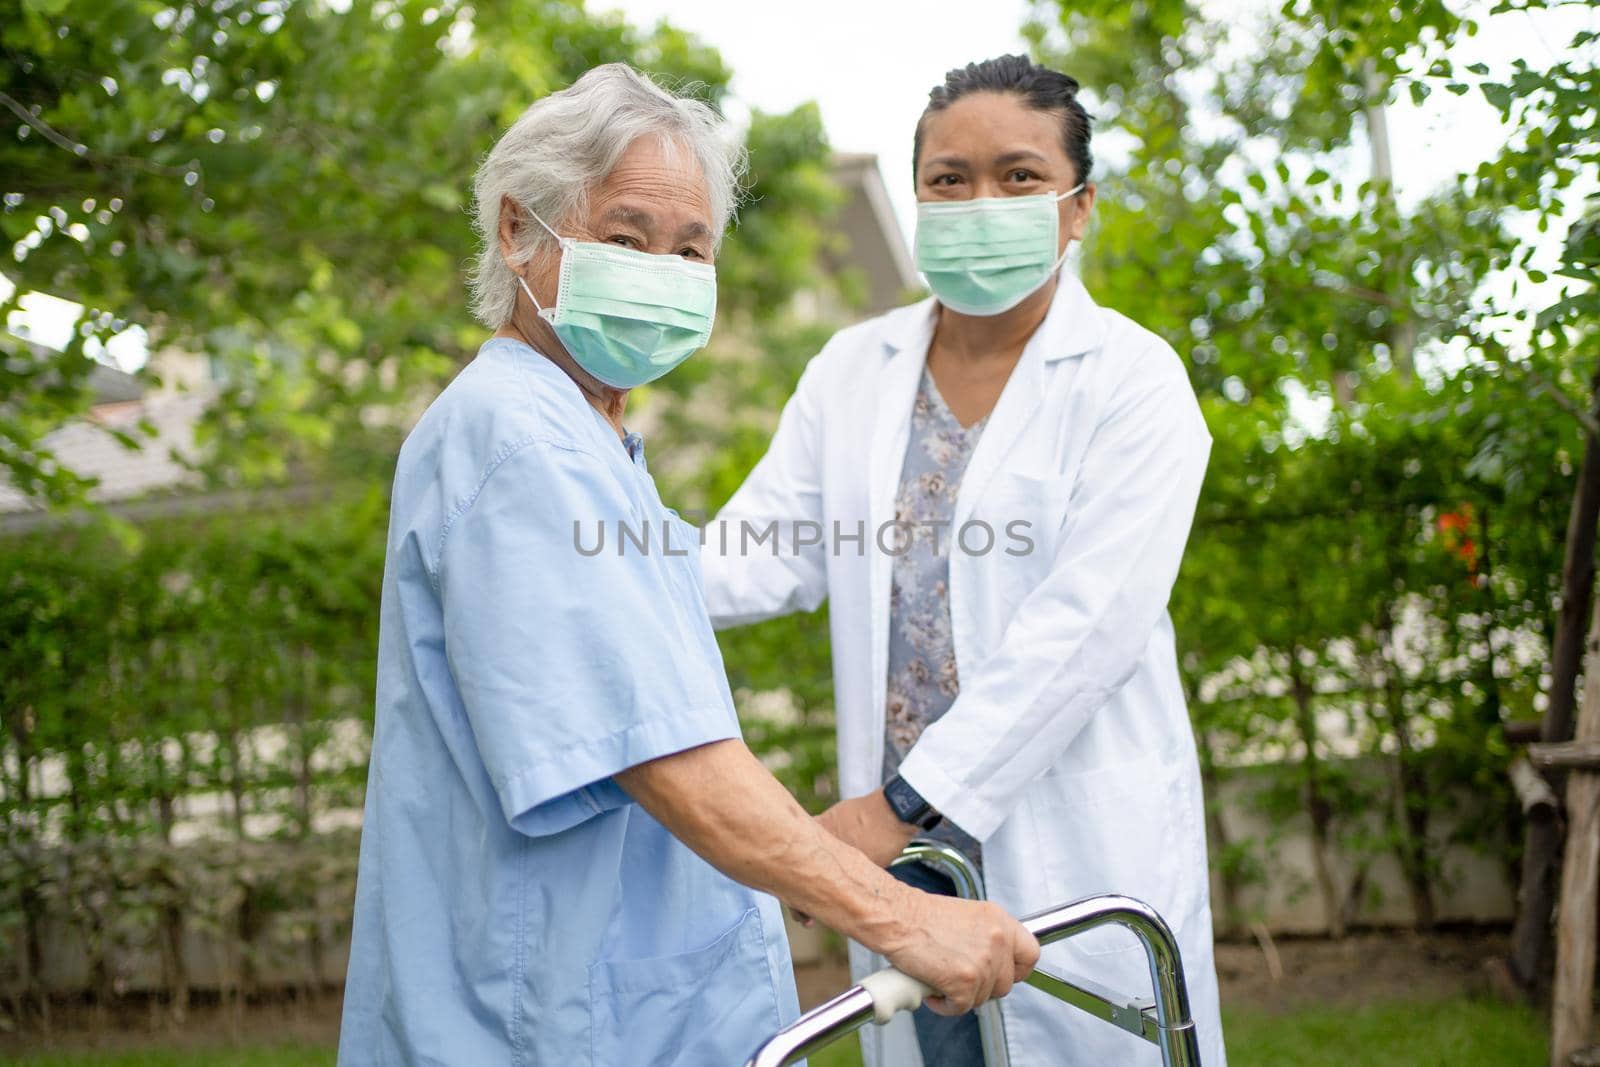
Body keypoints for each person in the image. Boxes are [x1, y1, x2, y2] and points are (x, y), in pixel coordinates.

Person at [336, 63, 1039, 1066]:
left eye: (689, 247)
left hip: (624, 1008)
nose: (659, 269)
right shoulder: (517, 443)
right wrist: (901, 916)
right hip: (549, 1026)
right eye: (625, 237)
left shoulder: (592, 447)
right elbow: (662, 751)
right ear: (516, 229)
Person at [701, 55, 1227, 1067]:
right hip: (903, 866)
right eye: (949, 179)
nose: (978, 200)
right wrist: (599, 566)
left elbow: (1086, 629)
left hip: (1049, 830)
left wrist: (892, 806)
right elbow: (756, 555)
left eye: (1018, 176)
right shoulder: (852, 370)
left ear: (1077, 209)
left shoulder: (1132, 382)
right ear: (917, 195)